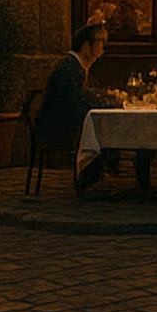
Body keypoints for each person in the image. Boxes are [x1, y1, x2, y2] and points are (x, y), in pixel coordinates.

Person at [38, 21, 117, 188]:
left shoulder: (76, 67)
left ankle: (98, 170)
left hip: (65, 123)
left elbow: (83, 96)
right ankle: (95, 170)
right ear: (86, 46)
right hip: (57, 129)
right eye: (100, 42)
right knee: (105, 127)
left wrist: (105, 99)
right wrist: (105, 103)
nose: (103, 48)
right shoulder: (70, 68)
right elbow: (73, 104)